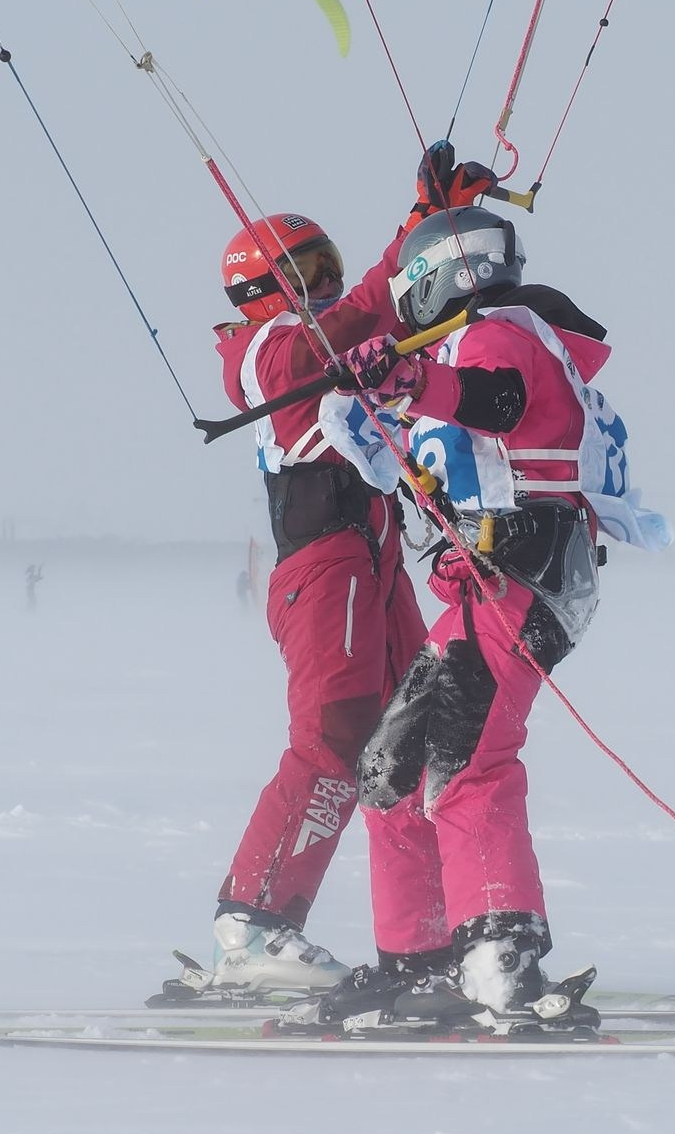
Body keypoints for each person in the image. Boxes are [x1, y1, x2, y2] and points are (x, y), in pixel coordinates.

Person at [307, 204, 670, 1032]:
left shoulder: (503, 333)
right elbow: (460, 441)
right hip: (488, 585)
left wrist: (410, 382)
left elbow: (497, 402)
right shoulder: (466, 344)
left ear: (436, 274)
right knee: (388, 772)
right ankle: (420, 957)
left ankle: (501, 957)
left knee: (466, 762)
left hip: (525, 580)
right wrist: (380, 399)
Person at [165, 148, 502, 1000]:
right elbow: (342, 327)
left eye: (329, 267)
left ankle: (424, 948)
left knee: (408, 743)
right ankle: (253, 924)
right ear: (258, 289)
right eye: (304, 271)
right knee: (337, 734)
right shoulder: (258, 351)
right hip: (325, 570)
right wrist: (400, 254)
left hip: (377, 562)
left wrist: (435, 232)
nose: (322, 284)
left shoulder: (327, 338)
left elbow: (383, 320)